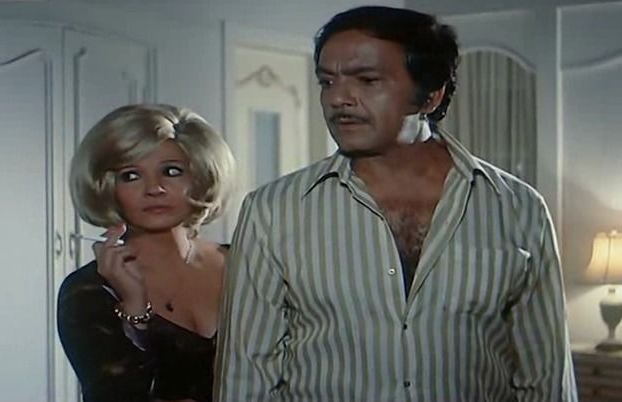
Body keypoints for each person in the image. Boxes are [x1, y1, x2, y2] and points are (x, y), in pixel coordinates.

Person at [214, 6, 577, 402]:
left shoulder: (518, 209)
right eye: (327, 81)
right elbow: (245, 378)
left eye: (367, 80)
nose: (338, 98)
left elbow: (545, 378)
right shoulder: (272, 211)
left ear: (430, 95)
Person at [58, 104, 235, 402]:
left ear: (200, 177)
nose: (154, 188)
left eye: (171, 171)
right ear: (107, 187)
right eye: (131, 175)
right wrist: (135, 311)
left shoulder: (244, 264)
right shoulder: (88, 292)